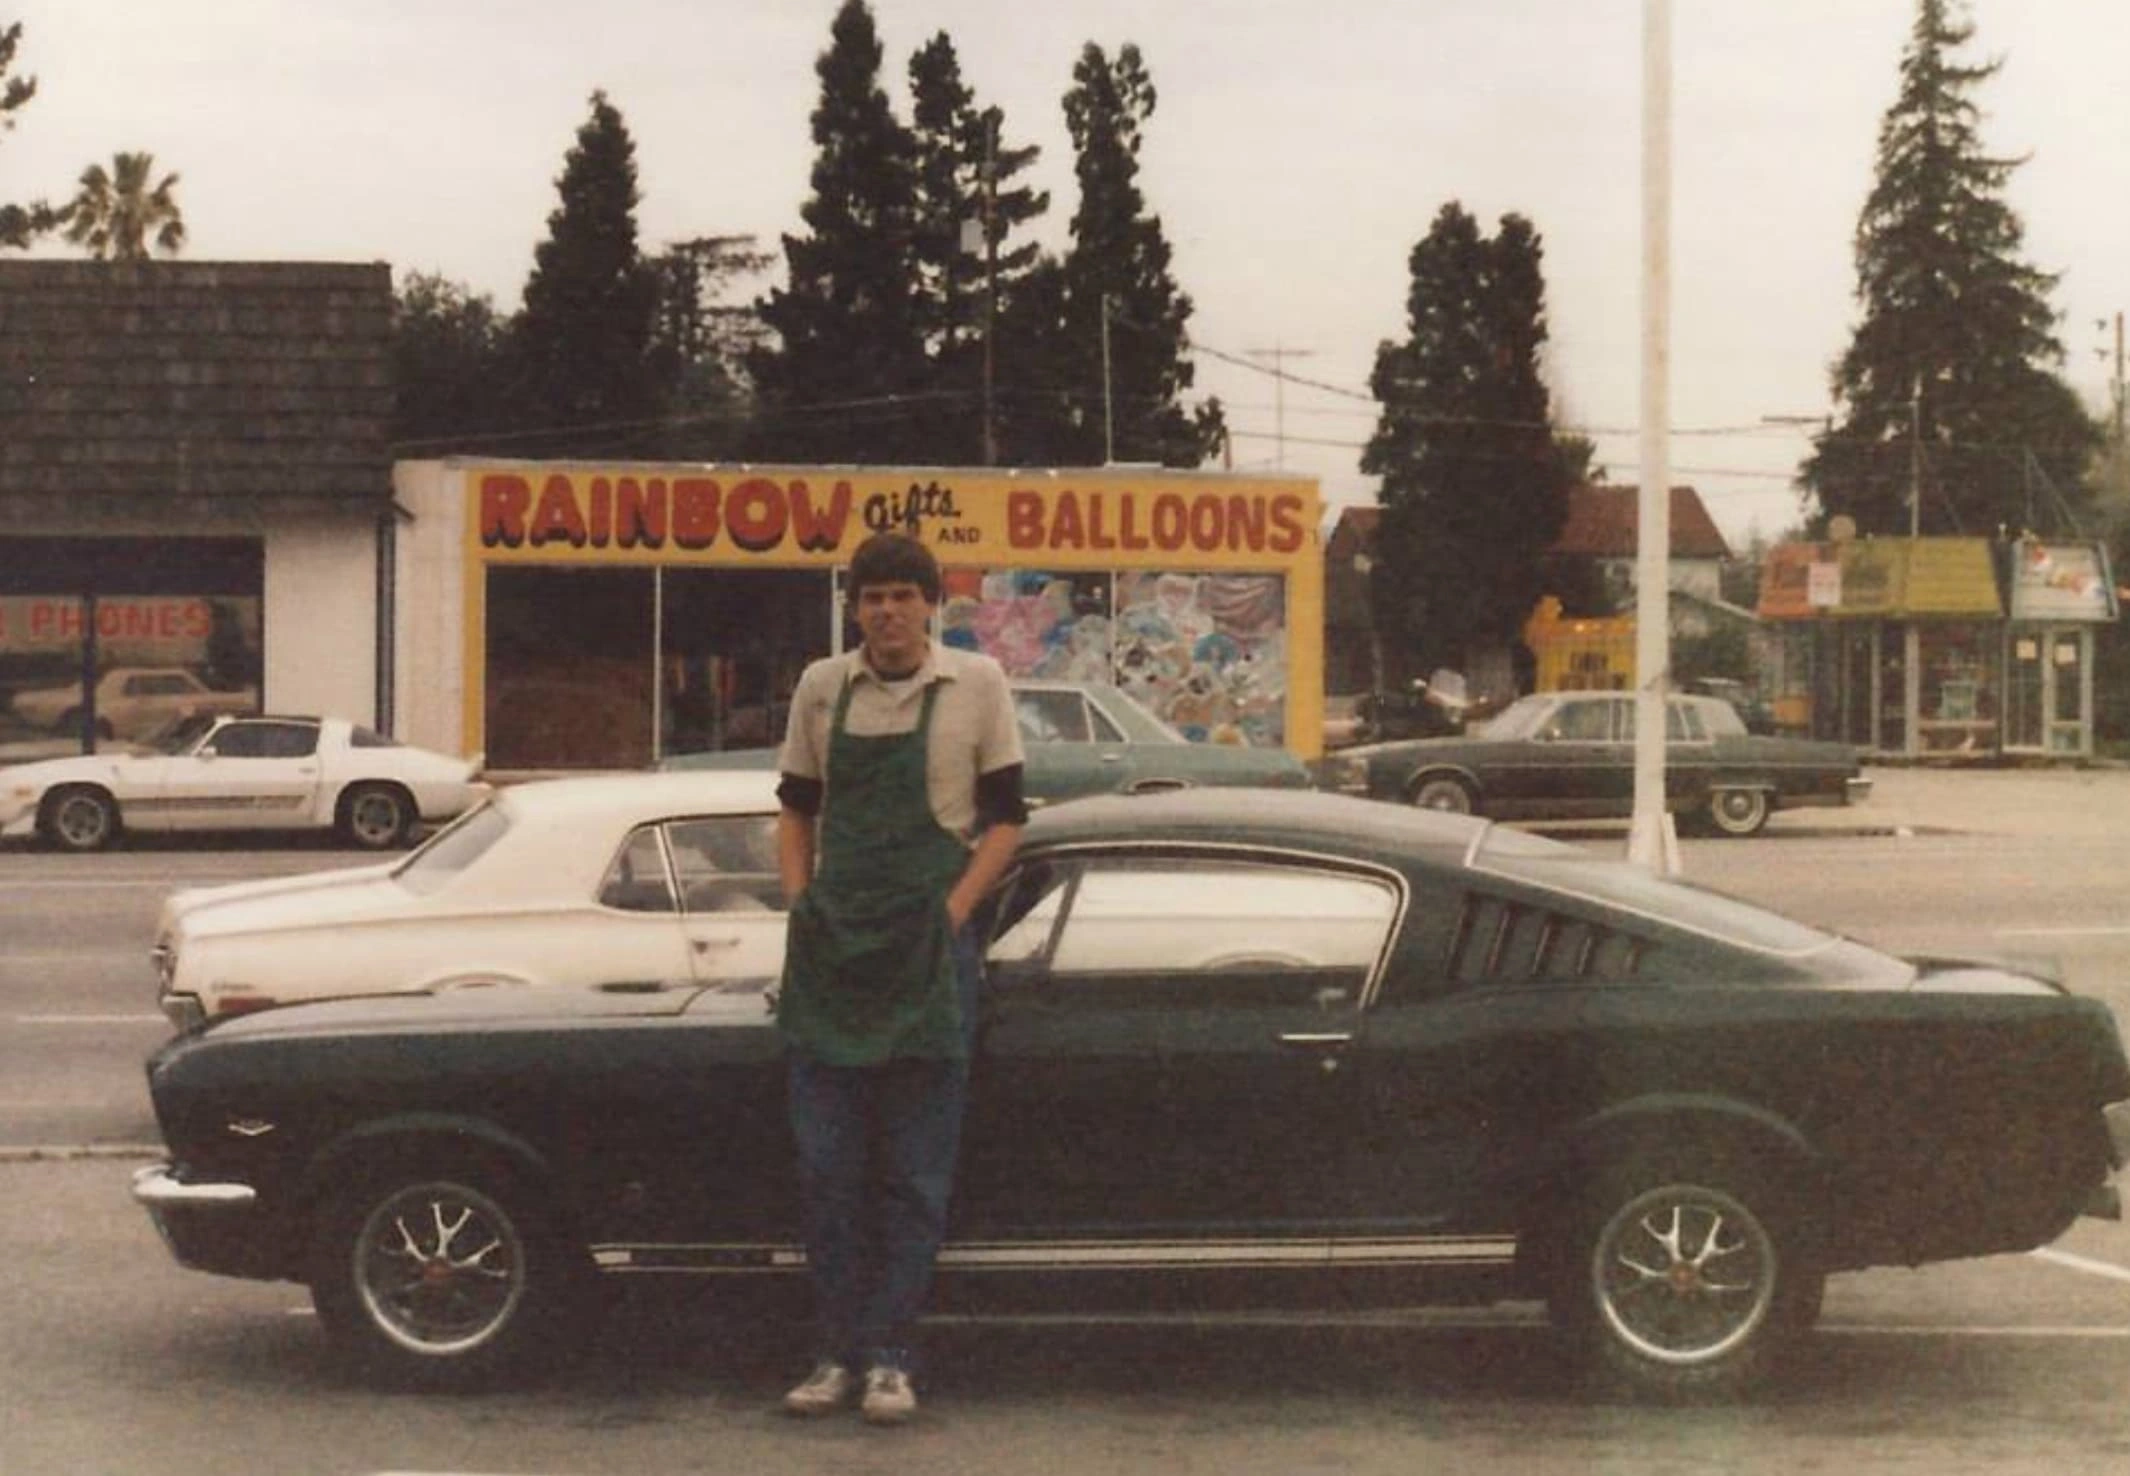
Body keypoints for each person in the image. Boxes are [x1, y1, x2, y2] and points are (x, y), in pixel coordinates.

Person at [772, 532, 1026, 1426]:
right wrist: (803, 905)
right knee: (825, 1167)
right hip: (834, 950)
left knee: (916, 1173)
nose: (887, 611)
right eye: (871, 596)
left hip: (929, 953)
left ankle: (891, 1358)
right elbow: (795, 812)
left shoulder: (977, 686)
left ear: (931, 605)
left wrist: (952, 914)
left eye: (902, 595)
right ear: (855, 608)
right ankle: (834, 1355)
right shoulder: (820, 687)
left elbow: (1005, 823)